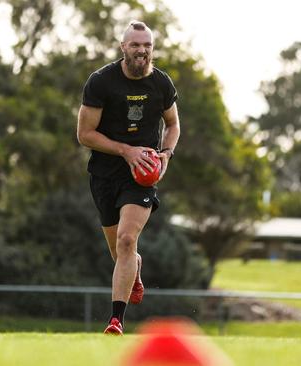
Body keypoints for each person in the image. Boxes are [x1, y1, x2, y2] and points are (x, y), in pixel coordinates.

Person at [76, 20, 180, 335]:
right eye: (135, 44)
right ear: (123, 47)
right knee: (119, 251)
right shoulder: (101, 82)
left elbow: (173, 125)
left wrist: (165, 154)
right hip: (105, 175)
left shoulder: (161, 84)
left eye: (147, 45)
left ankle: (116, 320)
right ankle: (134, 269)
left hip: (141, 177)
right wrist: (125, 151)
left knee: (126, 239)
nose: (142, 50)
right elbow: (84, 134)